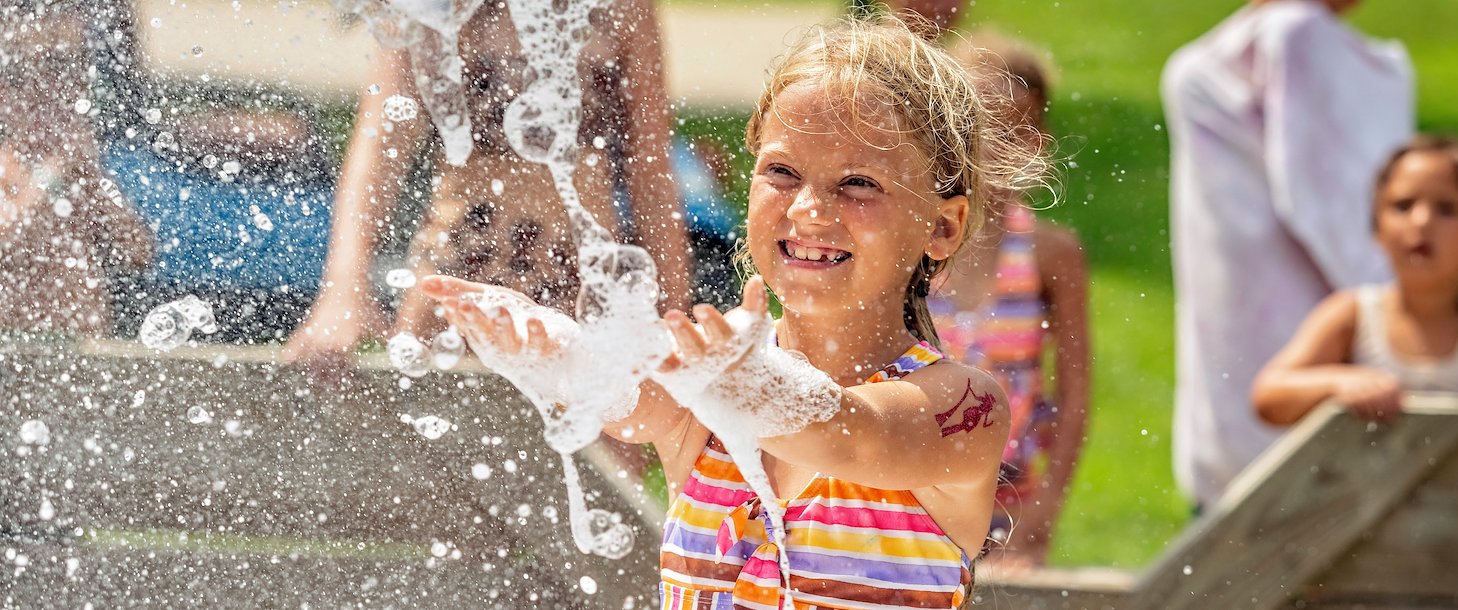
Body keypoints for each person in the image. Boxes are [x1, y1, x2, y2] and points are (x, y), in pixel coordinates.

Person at [424, 17, 1042, 606]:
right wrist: (552, 349)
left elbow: (852, 436)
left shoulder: (964, 408)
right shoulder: (706, 384)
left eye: (858, 183)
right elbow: (623, 396)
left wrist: (740, 385)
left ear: (942, 224)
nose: (808, 209)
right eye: (782, 171)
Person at [283, 0, 691, 377]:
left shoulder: (623, 7)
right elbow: (378, 156)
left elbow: (651, 176)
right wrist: (343, 292)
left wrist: (674, 316)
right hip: (455, 286)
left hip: (583, 290)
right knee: (440, 445)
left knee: (594, 446)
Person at [1161, 0, 1414, 508]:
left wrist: (1392, 322)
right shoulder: (1284, 34)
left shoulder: (1296, 35)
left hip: (1283, 310)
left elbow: (1334, 209)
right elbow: (1327, 202)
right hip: (1243, 305)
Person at [931, 36, 1089, 570]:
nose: (995, 144)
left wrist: (1046, 508)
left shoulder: (1050, 253)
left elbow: (1076, 393)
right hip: (911, 490)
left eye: (1014, 128)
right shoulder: (915, 245)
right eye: (980, 125)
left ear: (1039, 141)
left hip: (1012, 500)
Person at [1254, 136, 1458, 424]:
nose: (1421, 221)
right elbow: (1268, 396)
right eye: (1403, 206)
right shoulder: (1353, 316)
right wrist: (1338, 383)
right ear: (1376, 229)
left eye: (1446, 209)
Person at [0, 2, 154, 337]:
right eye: (23, 75)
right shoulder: (6, 168)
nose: (49, 89)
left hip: (89, 349)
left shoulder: (79, 172)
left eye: (66, 68)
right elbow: (8, 239)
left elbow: (137, 253)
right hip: (21, 355)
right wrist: (51, 175)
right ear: (4, 96)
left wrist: (97, 189)